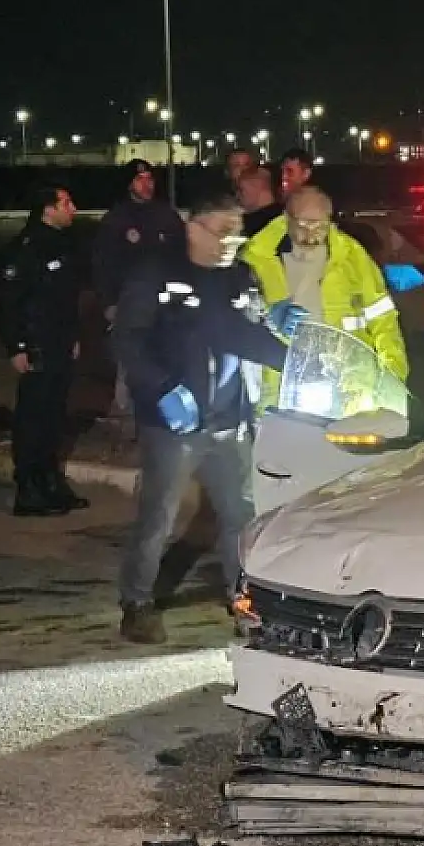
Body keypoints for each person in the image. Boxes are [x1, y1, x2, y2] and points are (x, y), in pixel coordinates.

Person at [112, 192, 303, 644]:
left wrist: (290, 355)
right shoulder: (156, 273)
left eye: (236, 235)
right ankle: (137, 602)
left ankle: (243, 601)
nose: (228, 243)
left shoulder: (237, 278)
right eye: (220, 232)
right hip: (175, 423)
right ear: (191, 226)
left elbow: (242, 334)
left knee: (240, 517)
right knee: (159, 515)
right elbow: (127, 341)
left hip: (228, 420)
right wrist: (162, 390)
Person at [241, 185, 408, 410]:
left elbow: (384, 320)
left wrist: (392, 376)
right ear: (286, 220)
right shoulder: (258, 261)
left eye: (319, 226)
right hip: (283, 390)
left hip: (350, 389)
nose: (310, 235)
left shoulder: (352, 257)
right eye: (302, 225)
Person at [0, 186, 87, 517]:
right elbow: (8, 302)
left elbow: (65, 301)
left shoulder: (63, 244)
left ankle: (50, 482)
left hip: (59, 343)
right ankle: (29, 488)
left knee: (54, 416)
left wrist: (73, 337)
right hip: (36, 345)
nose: (73, 209)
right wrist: (17, 346)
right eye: (67, 203)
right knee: (32, 418)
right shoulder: (27, 247)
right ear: (48, 209)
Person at [92, 160, 185, 417]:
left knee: (163, 355)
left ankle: (162, 409)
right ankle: (124, 413)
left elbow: (181, 256)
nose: (147, 184)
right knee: (130, 359)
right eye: (140, 179)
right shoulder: (117, 219)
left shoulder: (166, 215)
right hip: (129, 304)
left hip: (166, 304)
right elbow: (103, 264)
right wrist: (108, 302)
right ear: (129, 184)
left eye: (150, 179)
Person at [236, 165, 284, 239]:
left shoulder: (253, 225)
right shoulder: (286, 219)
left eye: (241, 189)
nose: (237, 195)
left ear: (256, 187)